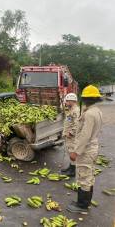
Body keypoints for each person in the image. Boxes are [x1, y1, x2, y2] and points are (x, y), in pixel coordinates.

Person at [66, 85, 103, 213]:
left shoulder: (89, 114)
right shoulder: (96, 111)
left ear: (86, 99)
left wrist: (75, 152)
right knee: (89, 175)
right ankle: (84, 202)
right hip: (92, 147)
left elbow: (84, 136)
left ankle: (82, 206)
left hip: (86, 150)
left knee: (84, 177)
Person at [61, 93, 80, 177]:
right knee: (70, 152)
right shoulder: (71, 109)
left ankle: (73, 171)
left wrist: (71, 133)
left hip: (72, 137)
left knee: (72, 153)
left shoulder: (76, 111)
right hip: (69, 136)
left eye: (67, 101)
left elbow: (77, 124)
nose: (66, 102)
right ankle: (71, 167)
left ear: (72, 101)